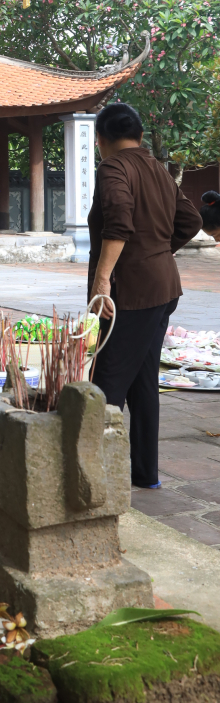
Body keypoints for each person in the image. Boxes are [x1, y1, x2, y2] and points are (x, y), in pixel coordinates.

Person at [87, 101, 202, 490]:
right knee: (142, 381)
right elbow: (191, 220)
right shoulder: (157, 168)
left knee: (106, 383)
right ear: (137, 135)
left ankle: (95, 477)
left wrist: (103, 280)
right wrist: (157, 252)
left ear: (100, 138)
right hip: (163, 287)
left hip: (130, 295)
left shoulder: (113, 167)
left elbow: (118, 221)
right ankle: (145, 475)